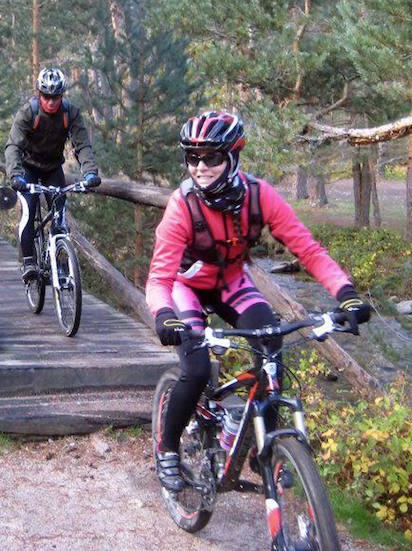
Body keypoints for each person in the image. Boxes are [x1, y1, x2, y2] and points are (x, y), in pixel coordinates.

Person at [145, 111, 372, 492]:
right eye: (192, 158)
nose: (200, 168)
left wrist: (346, 295)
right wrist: (165, 315)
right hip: (187, 287)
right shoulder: (182, 205)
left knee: (271, 346)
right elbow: (159, 277)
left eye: (211, 158)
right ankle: (167, 449)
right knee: (197, 368)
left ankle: (264, 446)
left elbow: (308, 250)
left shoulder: (258, 195)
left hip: (232, 282)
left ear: (232, 157)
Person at [5, 66, 101, 283]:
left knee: (60, 216)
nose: (50, 101)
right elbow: (13, 147)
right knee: (29, 212)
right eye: (46, 96)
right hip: (28, 168)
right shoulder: (28, 113)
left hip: (52, 169)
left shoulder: (70, 113)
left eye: (55, 96)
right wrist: (15, 175)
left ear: (62, 95)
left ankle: (61, 263)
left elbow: (82, 145)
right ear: (39, 94)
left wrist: (90, 173)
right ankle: (29, 262)